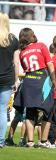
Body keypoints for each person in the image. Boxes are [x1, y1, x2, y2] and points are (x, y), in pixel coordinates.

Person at [13, 28, 55, 148]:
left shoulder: (22, 52)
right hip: (42, 79)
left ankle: (30, 141)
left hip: (28, 80)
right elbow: (49, 64)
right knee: (48, 110)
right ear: (32, 36)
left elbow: (24, 66)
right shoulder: (41, 45)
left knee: (30, 111)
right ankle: (43, 141)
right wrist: (54, 80)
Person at [0, 12, 19, 148]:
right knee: (2, 111)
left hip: (6, 80)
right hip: (7, 79)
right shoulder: (13, 39)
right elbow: (16, 62)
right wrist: (16, 80)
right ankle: (0, 141)